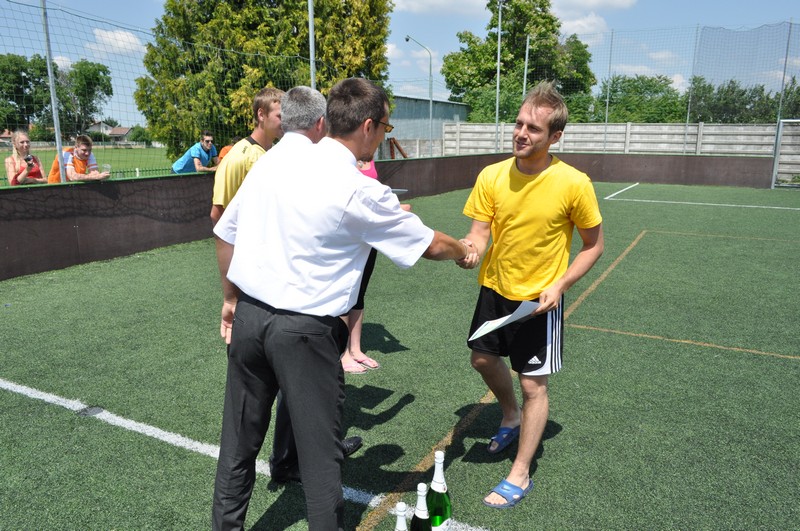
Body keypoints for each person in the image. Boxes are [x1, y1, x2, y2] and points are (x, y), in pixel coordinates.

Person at [211, 78, 476, 530]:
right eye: (386, 127)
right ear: (368, 126)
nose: (384, 136)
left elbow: (224, 232)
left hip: (251, 318)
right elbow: (430, 245)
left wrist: (231, 299)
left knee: (238, 444)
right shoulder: (358, 188)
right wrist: (464, 250)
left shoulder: (272, 163)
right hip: (304, 333)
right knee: (320, 459)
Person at [458, 81, 604, 509]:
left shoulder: (574, 183)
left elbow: (593, 245)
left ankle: (520, 474)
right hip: (495, 289)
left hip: (540, 301)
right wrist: (470, 250)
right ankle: (511, 415)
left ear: (554, 136)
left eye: (533, 128)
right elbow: (478, 233)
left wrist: (560, 285)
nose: (521, 133)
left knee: (533, 385)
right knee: (481, 359)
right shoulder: (492, 175)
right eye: (519, 123)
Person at [339, 160, 411, 374]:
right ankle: (342, 353)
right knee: (345, 291)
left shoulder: (368, 157)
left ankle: (355, 349)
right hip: (348, 234)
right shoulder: (343, 159)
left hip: (368, 235)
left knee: (360, 292)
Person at [210, 87, 284, 224]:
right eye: (280, 116)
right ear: (261, 115)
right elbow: (218, 215)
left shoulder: (276, 153)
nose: (285, 122)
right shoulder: (238, 157)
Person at [47, 135, 111, 183]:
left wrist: (96, 176)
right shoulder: (66, 153)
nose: (87, 153)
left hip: (73, 185)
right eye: (84, 150)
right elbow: (72, 176)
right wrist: (96, 177)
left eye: (90, 150)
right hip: (55, 185)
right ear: (76, 147)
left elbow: (95, 173)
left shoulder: (90, 154)